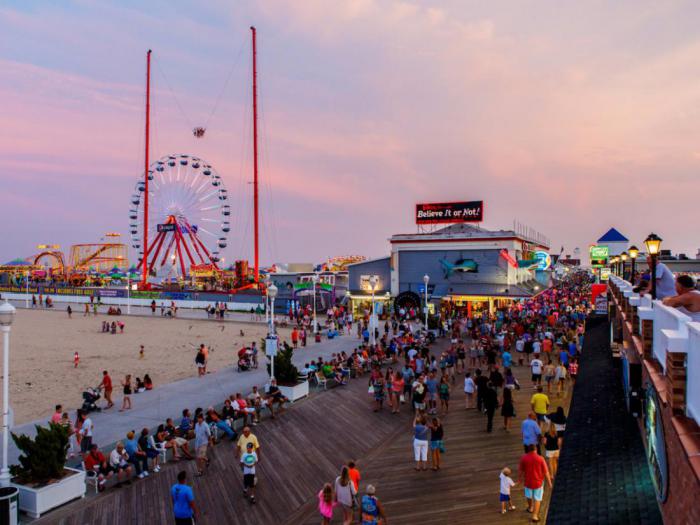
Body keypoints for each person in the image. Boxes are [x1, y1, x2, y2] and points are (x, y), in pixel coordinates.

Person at [518, 444, 552, 522]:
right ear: (536, 450)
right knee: (537, 498)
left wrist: (519, 479)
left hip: (528, 482)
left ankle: (530, 508)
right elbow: (546, 472)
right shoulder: (540, 458)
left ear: (528, 450)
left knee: (529, 496)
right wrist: (550, 483)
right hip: (538, 482)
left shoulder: (524, 458)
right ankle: (535, 515)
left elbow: (521, 470)